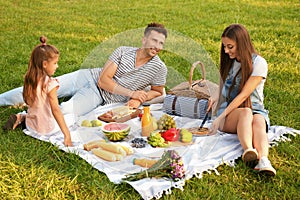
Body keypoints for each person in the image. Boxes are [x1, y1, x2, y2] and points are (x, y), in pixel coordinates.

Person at [0, 22, 168, 116]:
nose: (157, 46)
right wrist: (132, 94)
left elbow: (158, 91)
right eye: (154, 41)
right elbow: (103, 80)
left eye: (161, 43)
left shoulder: (159, 67)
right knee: (39, 87)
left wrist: (140, 98)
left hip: (98, 96)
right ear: (144, 40)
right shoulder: (123, 51)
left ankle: (25, 116)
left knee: (66, 110)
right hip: (88, 77)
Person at [208, 24, 276, 176]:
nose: (226, 51)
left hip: (255, 108)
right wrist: (216, 99)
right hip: (233, 111)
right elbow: (222, 85)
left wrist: (220, 117)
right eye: (225, 46)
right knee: (245, 113)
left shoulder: (259, 63)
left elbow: (244, 95)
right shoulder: (229, 61)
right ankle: (248, 151)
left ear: (242, 43)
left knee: (258, 121)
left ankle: (264, 160)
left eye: (230, 46)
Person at [4, 36, 73, 147]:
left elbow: (27, 101)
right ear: (45, 64)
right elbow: (56, 110)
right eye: (55, 63)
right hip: (46, 129)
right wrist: (67, 134)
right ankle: (21, 116)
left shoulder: (30, 78)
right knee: (72, 118)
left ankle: (21, 117)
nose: (57, 66)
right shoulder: (50, 84)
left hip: (32, 125)